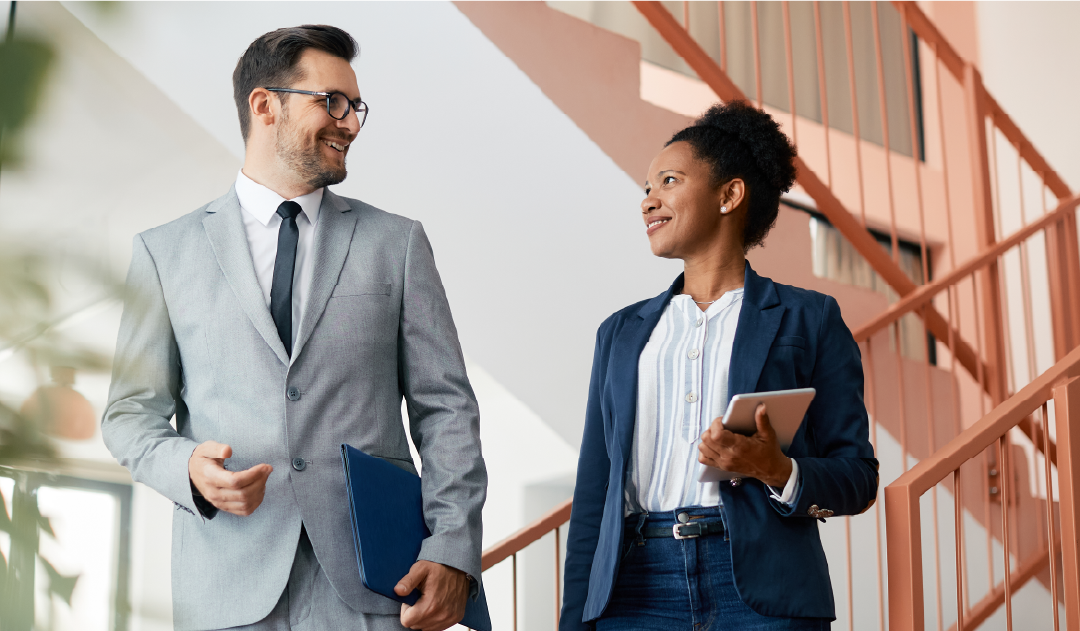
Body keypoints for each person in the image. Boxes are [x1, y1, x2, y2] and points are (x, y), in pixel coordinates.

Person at [102, 25, 485, 631]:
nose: (351, 124)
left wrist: (452, 548)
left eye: (356, 107)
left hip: (374, 581)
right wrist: (189, 471)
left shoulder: (397, 243)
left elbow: (447, 409)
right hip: (226, 583)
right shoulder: (163, 253)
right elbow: (129, 414)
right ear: (265, 106)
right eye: (331, 102)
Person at [560, 101, 878, 630]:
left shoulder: (810, 318)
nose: (648, 201)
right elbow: (595, 492)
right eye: (646, 188)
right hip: (635, 588)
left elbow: (856, 476)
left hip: (765, 591)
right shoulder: (619, 334)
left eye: (668, 180)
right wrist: (575, 620)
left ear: (729, 195)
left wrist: (776, 469)